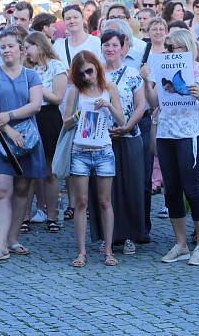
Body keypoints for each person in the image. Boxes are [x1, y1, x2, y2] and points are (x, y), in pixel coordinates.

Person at [146, 29, 199, 266]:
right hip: (167, 133)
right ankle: (180, 244)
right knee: (172, 191)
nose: (172, 52)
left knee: (192, 189)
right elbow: (153, 102)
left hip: (190, 134)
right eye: (169, 48)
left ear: (188, 47)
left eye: (177, 47)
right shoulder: (162, 68)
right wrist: (148, 82)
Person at [0, 28, 45, 263]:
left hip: (26, 140)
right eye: (2, 46)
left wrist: (10, 115)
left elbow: (36, 104)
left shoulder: (31, 76)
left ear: (21, 49)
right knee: (0, 191)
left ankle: (13, 238)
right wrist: (7, 126)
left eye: (10, 46)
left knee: (21, 190)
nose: (6, 50)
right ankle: (0, 245)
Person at [63, 51, 125, 267]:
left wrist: (108, 105)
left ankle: (108, 250)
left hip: (103, 150)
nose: (87, 77)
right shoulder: (75, 92)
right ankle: (81, 252)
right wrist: (77, 117)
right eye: (82, 74)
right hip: (80, 150)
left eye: (89, 71)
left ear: (97, 67)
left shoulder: (109, 88)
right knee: (80, 202)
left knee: (105, 201)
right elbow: (65, 123)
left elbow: (122, 119)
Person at [87, 30, 146, 255]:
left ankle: (130, 235)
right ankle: (107, 236)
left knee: (130, 185)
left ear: (123, 48)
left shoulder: (132, 73)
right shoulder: (95, 72)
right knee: (104, 190)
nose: (110, 49)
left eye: (114, 45)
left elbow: (140, 105)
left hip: (129, 136)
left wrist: (128, 126)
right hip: (101, 138)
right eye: (106, 45)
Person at [24, 32, 67, 233]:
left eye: (28, 47)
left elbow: (57, 98)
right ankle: (24, 216)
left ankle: (52, 215)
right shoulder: (26, 67)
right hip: (29, 117)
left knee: (50, 171)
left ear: (39, 46)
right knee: (29, 171)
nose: (26, 52)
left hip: (48, 117)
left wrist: (37, 87)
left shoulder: (56, 66)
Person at [55, 5, 102, 69]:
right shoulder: (58, 45)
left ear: (82, 18)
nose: (72, 21)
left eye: (75, 17)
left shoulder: (95, 42)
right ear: (64, 22)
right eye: (68, 19)